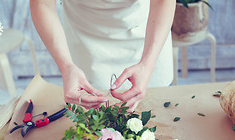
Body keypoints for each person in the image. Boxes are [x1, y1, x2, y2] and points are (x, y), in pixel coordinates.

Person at [29, 0, 175, 111]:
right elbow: (43, 4)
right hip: (84, 41)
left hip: (148, 38)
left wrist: (147, 64)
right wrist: (66, 66)